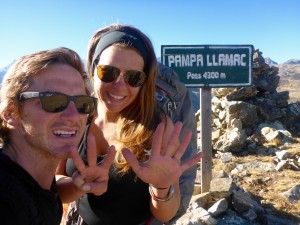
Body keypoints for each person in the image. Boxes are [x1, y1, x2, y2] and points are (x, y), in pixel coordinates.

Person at [56, 24, 202, 225]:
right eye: (108, 72)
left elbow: (165, 215)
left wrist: (162, 187)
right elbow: (56, 181)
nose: (119, 85)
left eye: (134, 77)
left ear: (144, 81)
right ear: (93, 68)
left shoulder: (158, 128)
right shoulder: (77, 116)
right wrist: (76, 187)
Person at [0, 47, 116, 225]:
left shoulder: (36, 185)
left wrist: (76, 188)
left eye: (82, 103)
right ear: (11, 114)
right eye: (53, 101)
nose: (72, 117)